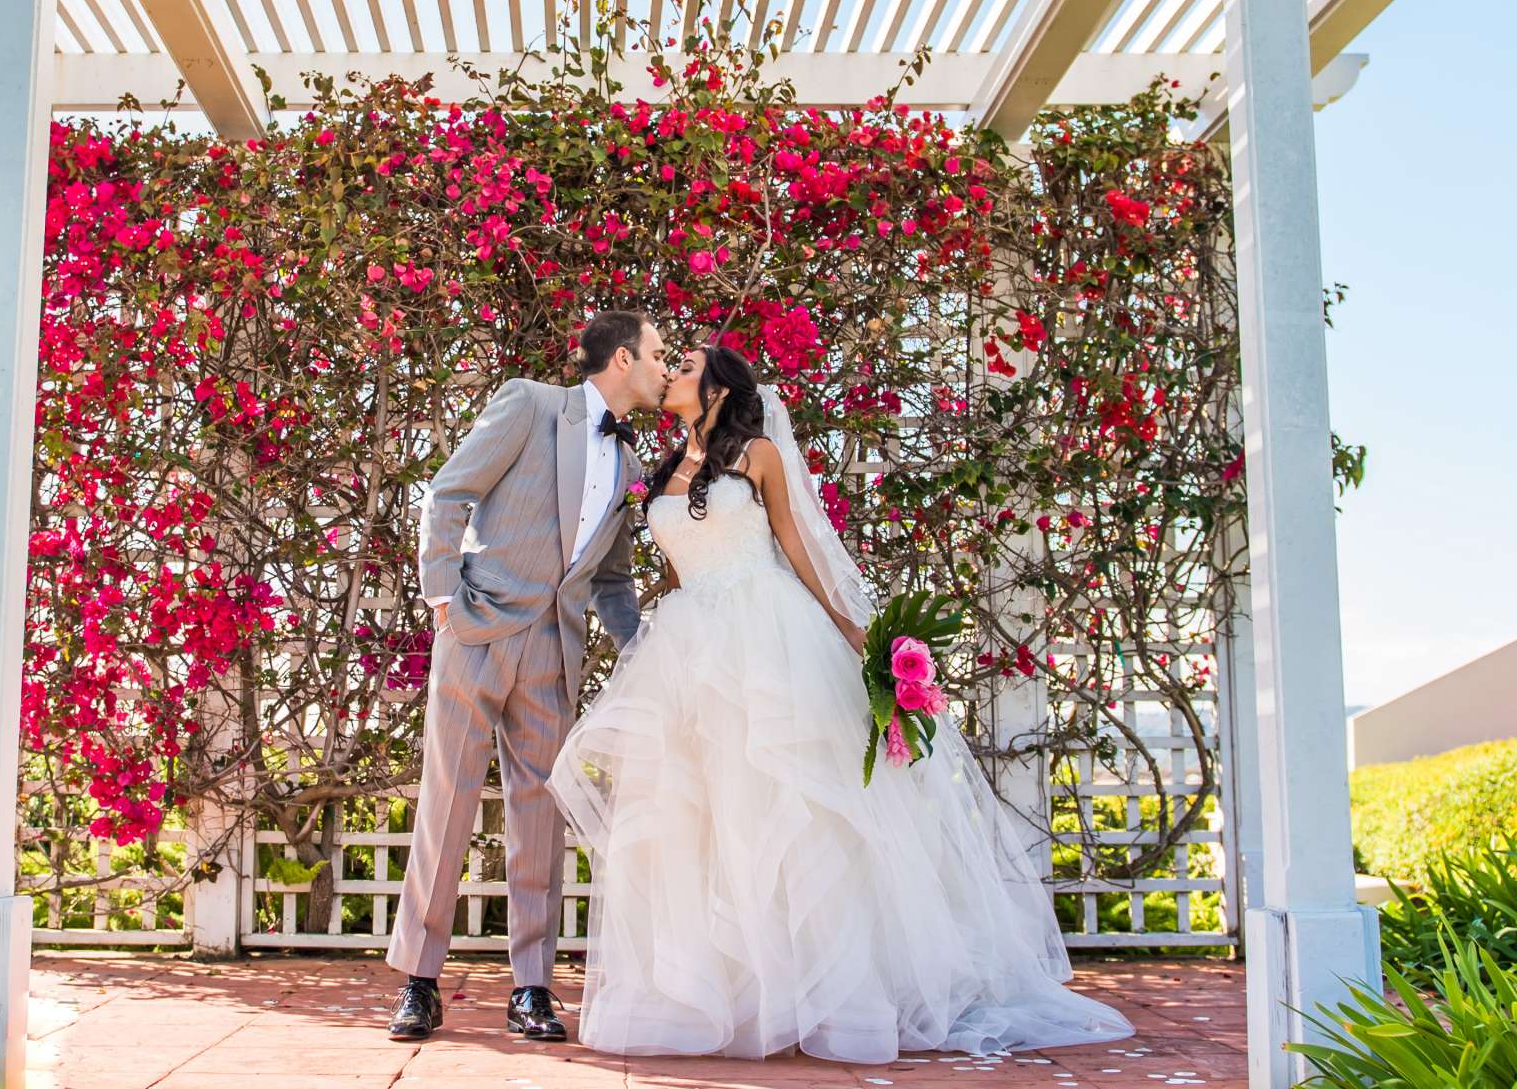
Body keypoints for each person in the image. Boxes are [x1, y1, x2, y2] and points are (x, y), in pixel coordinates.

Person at [548, 343, 1134, 1063]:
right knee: (705, 818)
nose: (673, 373)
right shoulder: (663, 471)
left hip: (768, 636)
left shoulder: (757, 454)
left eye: (690, 366)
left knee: (793, 811)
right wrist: (652, 658)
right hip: (693, 645)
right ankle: (732, 997)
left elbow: (797, 547)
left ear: (723, 390)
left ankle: (830, 995)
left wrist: (848, 628)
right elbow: (675, 574)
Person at [382, 310, 666, 1043]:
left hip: (553, 652)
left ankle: (531, 990)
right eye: (660, 355)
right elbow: (449, 492)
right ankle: (419, 982)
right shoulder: (530, 402)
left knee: (540, 819)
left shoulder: (631, 466)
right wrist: (442, 596)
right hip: (477, 630)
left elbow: (611, 578)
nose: (667, 368)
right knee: (447, 803)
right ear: (625, 359)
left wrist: (642, 647)